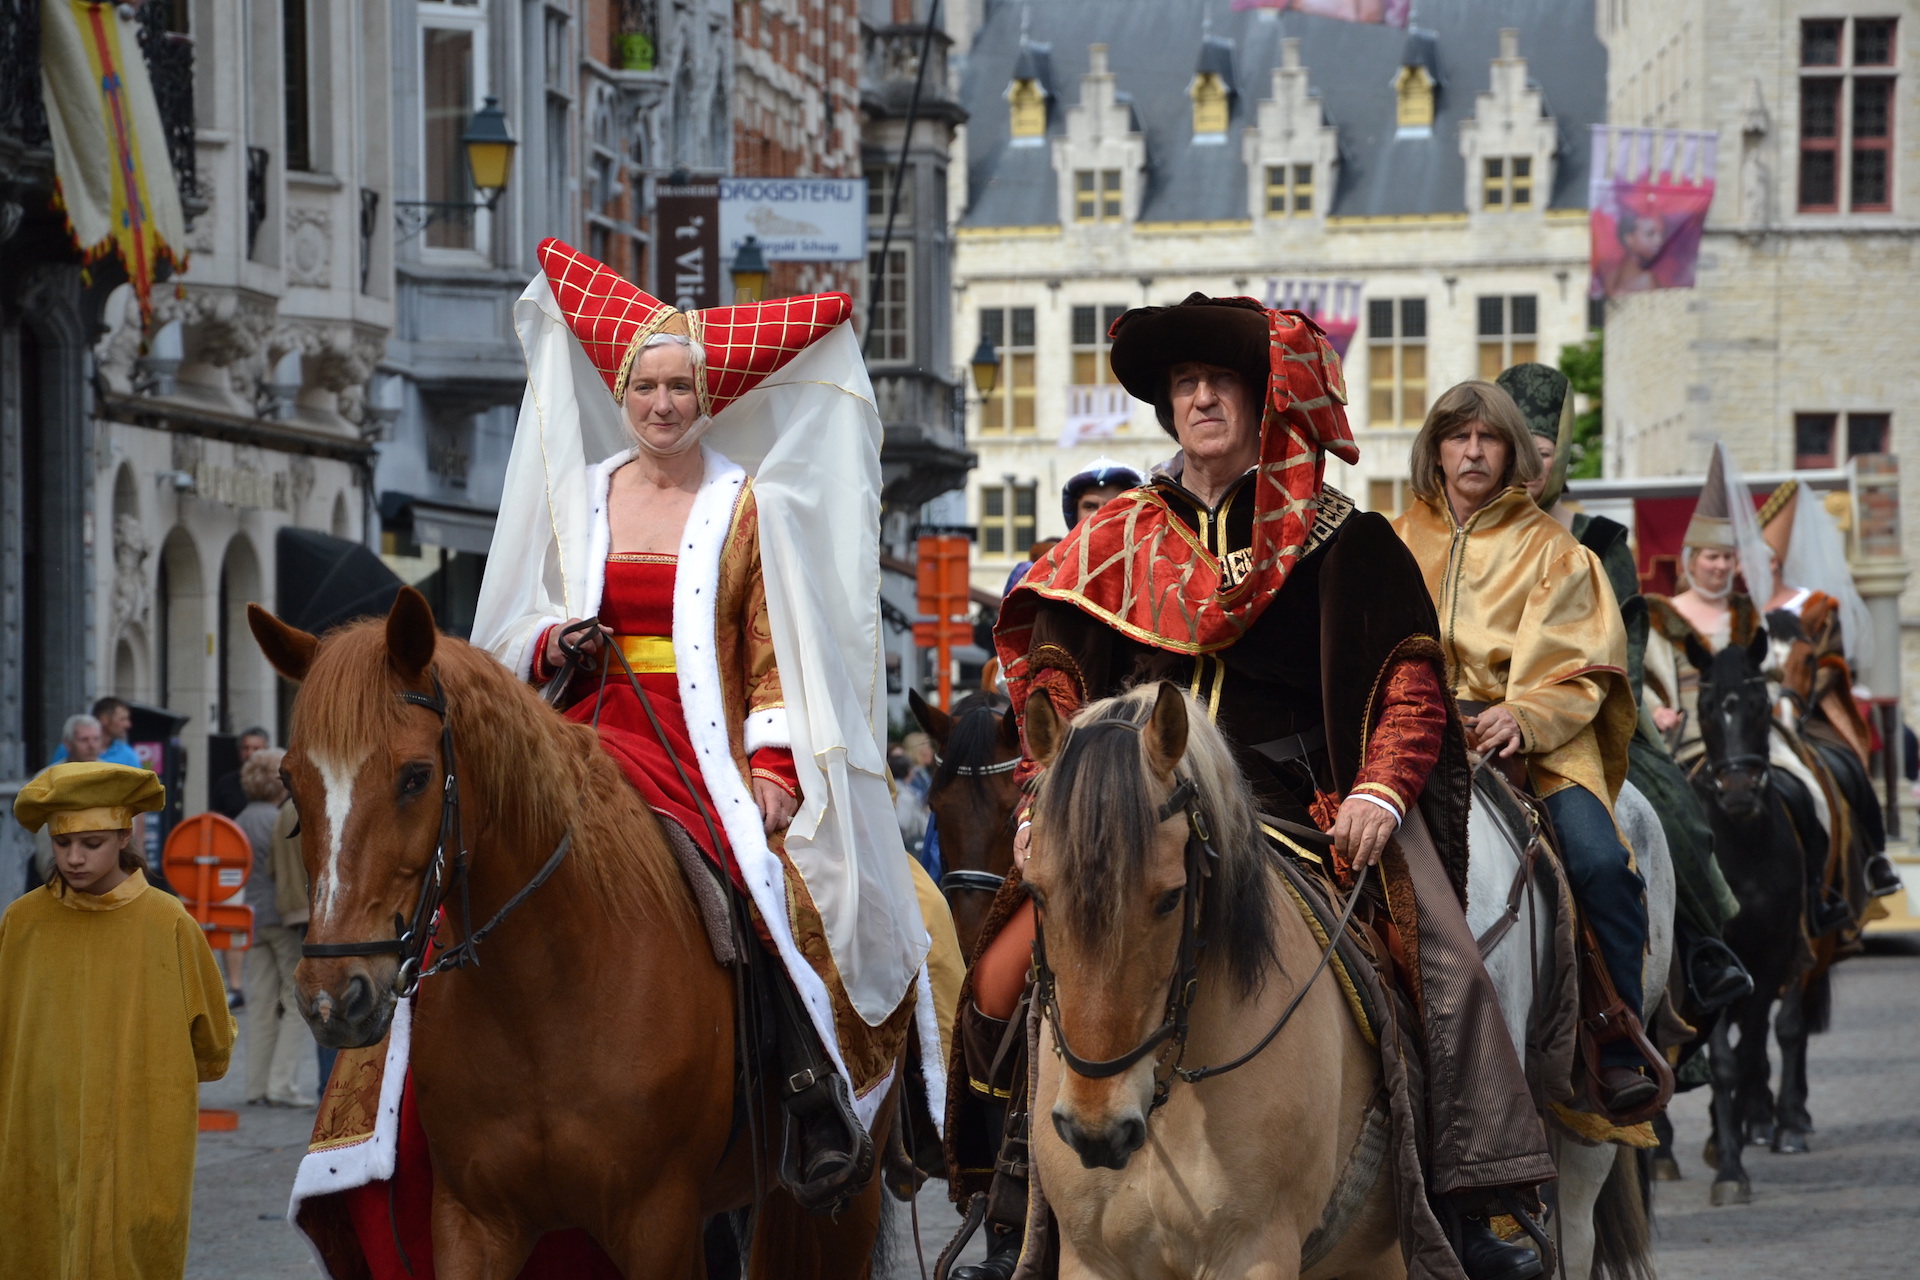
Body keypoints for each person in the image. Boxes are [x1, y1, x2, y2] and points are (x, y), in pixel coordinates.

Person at [962, 294, 1554, 1280]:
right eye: (1185, 385)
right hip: (1128, 810)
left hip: (1300, 812)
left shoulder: (1345, 542)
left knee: (1439, 946)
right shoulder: (1109, 542)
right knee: (995, 973)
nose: (1199, 397)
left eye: (1221, 383)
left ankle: (1474, 1188)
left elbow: (1410, 689)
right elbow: (1055, 683)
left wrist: (1379, 791)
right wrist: (1041, 798)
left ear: (1262, 403)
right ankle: (1006, 1200)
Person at [469, 238, 932, 1212]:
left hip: (699, 746)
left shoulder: (741, 503)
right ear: (623, 393)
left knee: (772, 895)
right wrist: (556, 639)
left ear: (706, 397)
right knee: (458, 873)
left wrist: (772, 767)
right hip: (582, 735)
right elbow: (517, 619)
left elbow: (769, 659)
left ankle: (803, 1089)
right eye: (647, 386)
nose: (664, 404)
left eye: (682, 387)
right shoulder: (582, 496)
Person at [1391, 380, 1656, 1112]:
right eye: (1457, 436)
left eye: (1488, 438)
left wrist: (1523, 716)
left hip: (1533, 745)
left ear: (1510, 452)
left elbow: (1581, 669)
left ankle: (1614, 1029)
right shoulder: (1390, 540)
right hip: (1412, 735)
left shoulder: (1555, 551)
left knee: (1601, 863)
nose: (1472, 450)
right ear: (1436, 449)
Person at [1500, 363, 1751, 1012]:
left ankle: (1699, 948)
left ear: (1559, 460)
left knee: (1672, 811)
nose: (1527, 466)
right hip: (1474, 722)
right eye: (1515, 448)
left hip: (1586, 716)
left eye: (1543, 451)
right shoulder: (1458, 535)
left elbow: (1623, 644)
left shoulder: (1598, 539)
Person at [0, 761, 235, 1279]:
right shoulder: (21, 922)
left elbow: (211, 1040)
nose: (75, 858)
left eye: (93, 843)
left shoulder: (169, 921)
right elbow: (214, 1047)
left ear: (125, 836)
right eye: (63, 845)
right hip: (40, 1131)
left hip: (138, 1135)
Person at [235, 747, 314, 1106]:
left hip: (252, 916)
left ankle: (255, 1085)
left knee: (261, 1003)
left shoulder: (240, 820)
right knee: (295, 1002)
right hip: (282, 918)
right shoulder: (280, 817)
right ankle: (281, 1085)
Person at [46, 696, 141, 767]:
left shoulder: (128, 755)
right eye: (122, 719)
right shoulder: (65, 749)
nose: (128, 725)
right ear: (104, 719)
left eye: (96, 739)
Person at [208, 725, 271, 819]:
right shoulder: (225, 783)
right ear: (239, 751)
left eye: (256, 749)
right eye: (245, 748)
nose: (250, 753)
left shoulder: (275, 783)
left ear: (266, 751)